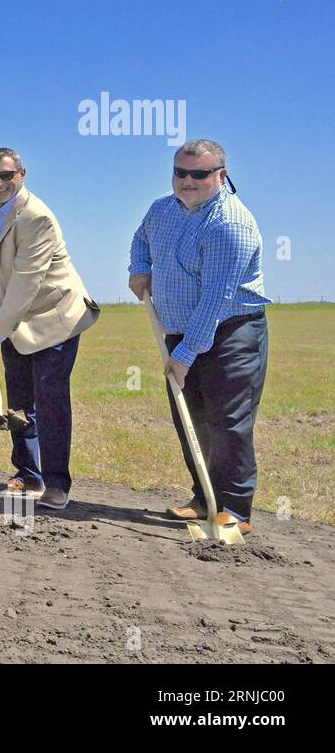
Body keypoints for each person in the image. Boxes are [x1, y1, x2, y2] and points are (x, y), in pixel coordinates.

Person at [128, 139, 269, 535]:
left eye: (199, 174)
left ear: (221, 176)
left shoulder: (230, 224)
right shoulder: (161, 209)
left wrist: (185, 354)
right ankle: (204, 497)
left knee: (228, 422)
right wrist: (140, 268)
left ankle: (235, 510)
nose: (187, 181)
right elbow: (141, 239)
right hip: (178, 331)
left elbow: (215, 300)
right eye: (180, 172)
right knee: (190, 417)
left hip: (231, 333)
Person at [0, 148, 100, 509]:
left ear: (22, 174)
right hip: (15, 317)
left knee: (50, 400)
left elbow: (26, 281)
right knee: (19, 400)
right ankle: (29, 474)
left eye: (6, 175)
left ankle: (57, 484)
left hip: (54, 319)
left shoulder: (36, 216)